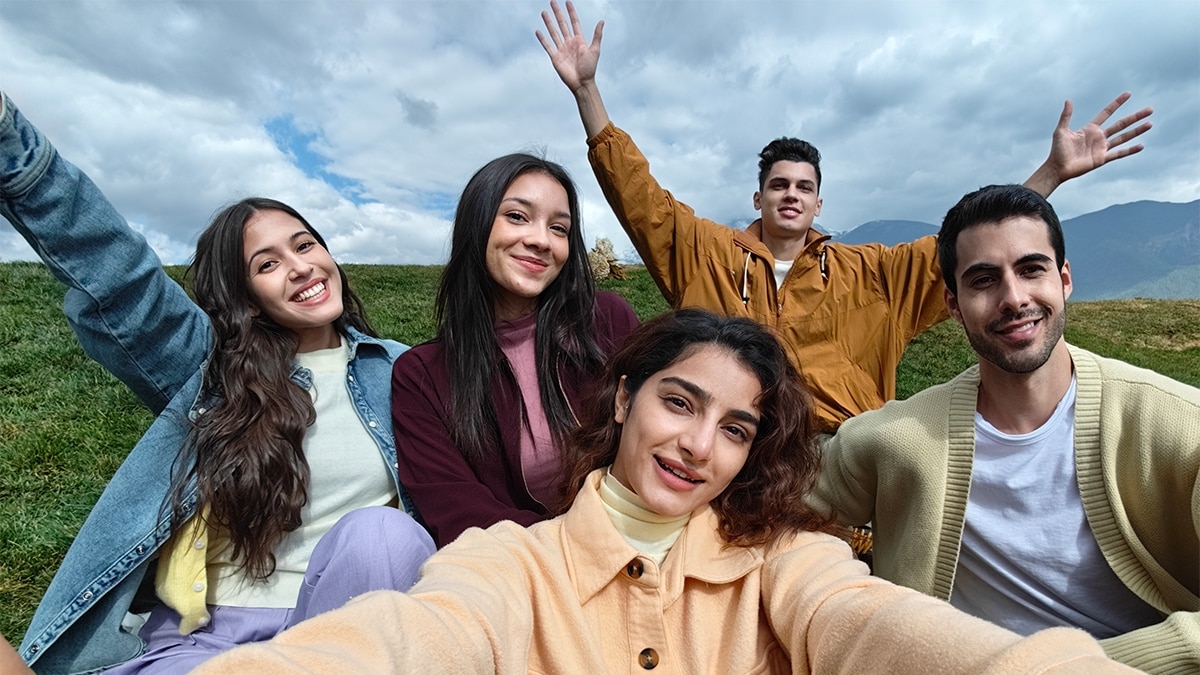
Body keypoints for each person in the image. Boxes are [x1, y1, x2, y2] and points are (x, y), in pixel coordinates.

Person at [193, 309, 1137, 674]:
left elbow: (875, 625)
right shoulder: (508, 563)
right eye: (679, 402)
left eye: (735, 428)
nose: (696, 445)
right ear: (623, 397)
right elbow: (410, 639)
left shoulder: (785, 561)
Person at [537, 0, 1155, 433]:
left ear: (819, 203)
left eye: (804, 187)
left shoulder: (872, 273)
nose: (791, 195)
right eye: (778, 185)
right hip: (735, 452)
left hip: (842, 459)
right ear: (758, 199)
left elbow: (971, 242)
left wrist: (1050, 174)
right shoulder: (707, 254)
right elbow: (640, 197)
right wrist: (587, 92)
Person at [0, 93, 434, 673]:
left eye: (305, 245)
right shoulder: (212, 369)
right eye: (267, 264)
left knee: (385, 535)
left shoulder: (404, 370)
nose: (300, 267)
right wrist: (11, 141)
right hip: (207, 640)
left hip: (343, 624)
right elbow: (119, 277)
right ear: (246, 299)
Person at [809, 184, 1199, 674]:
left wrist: (1054, 669)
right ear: (953, 305)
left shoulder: (1181, 428)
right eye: (984, 280)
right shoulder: (896, 439)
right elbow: (768, 511)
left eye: (1031, 270)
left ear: (1065, 279)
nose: (1013, 298)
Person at [391, 154, 639, 547]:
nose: (541, 240)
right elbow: (457, 510)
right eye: (517, 217)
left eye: (559, 228)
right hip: (520, 564)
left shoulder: (608, 320)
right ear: (477, 223)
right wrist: (571, 549)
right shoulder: (422, 375)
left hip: (642, 541)